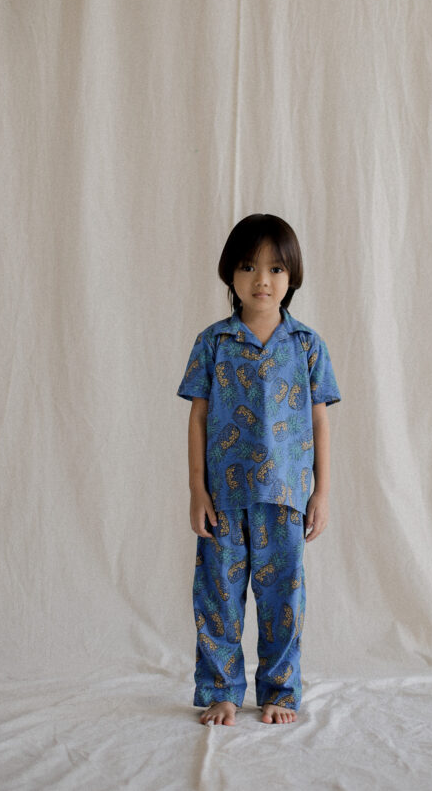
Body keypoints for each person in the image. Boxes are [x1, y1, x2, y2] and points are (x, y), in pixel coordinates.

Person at [177, 213, 341, 726]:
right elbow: (198, 417)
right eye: (249, 267)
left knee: (283, 599)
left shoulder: (307, 345)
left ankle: (280, 692)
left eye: (275, 268)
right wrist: (197, 489)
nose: (262, 280)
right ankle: (222, 691)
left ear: (292, 276)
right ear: (231, 273)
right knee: (218, 598)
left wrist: (322, 493)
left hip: (286, 497)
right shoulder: (213, 343)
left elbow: (320, 421)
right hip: (223, 499)